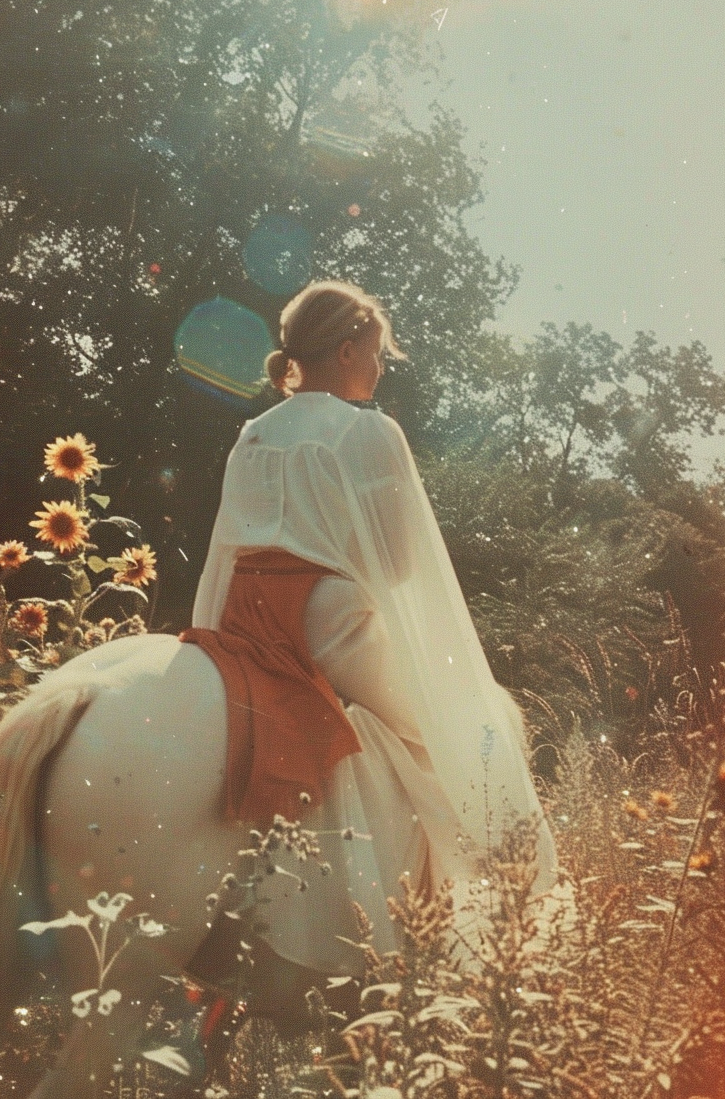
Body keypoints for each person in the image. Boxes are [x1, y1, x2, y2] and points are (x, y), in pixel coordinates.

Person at [181, 280, 557, 975]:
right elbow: (403, 566)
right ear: (348, 349)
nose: (381, 369)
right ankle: (479, 927)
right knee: (458, 737)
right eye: (378, 353)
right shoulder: (369, 432)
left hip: (245, 621)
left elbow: (223, 551)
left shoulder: (253, 433)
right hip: (326, 619)